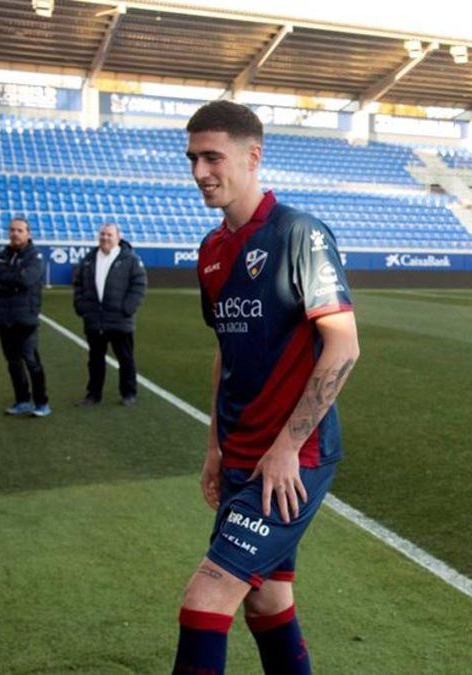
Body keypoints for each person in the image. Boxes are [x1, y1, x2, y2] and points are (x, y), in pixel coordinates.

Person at [172, 100, 359, 675]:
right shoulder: (212, 251)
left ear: (252, 157)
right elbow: (225, 355)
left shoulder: (299, 234)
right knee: (268, 597)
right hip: (240, 456)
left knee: (205, 600)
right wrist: (214, 446)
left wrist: (285, 448)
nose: (200, 171)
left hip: (291, 458)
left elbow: (343, 345)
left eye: (212, 157)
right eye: (192, 158)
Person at [72, 222, 147, 406]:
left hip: (119, 320)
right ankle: (93, 394)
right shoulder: (89, 259)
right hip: (95, 320)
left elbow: (139, 284)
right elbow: (79, 284)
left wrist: (127, 308)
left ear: (118, 237)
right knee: (95, 359)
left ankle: (128, 393)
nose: (105, 238)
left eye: (109, 235)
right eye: (103, 234)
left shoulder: (129, 259)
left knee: (125, 358)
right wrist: (82, 307)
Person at [0, 217, 50, 418]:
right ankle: (22, 400)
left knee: (31, 361)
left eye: (19, 230)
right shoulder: (0, 256)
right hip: (4, 317)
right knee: (13, 362)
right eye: (12, 230)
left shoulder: (35, 256)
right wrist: (12, 283)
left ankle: (41, 403)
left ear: (28, 233)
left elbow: (26, 279)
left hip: (26, 317)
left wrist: (7, 282)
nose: (15, 233)